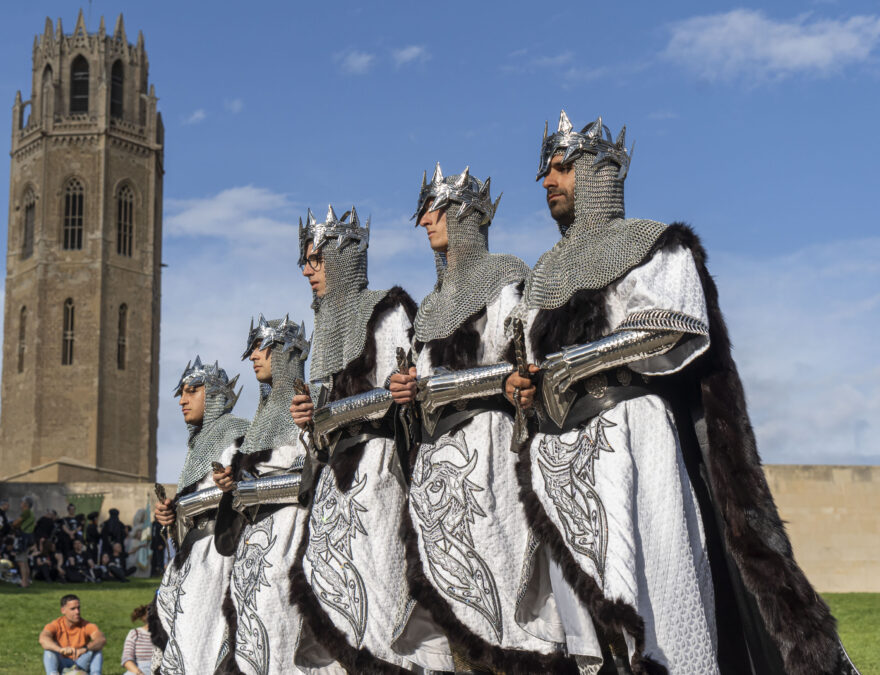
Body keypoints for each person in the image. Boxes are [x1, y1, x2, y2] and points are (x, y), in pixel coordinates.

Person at [500, 111, 862, 675]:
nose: (548, 180)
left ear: (600, 173)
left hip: (636, 447)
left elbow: (676, 327)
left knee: (659, 613)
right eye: (546, 171)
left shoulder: (654, 246)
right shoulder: (544, 276)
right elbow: (527, 364)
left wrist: (569, 363)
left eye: (562, 167)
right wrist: (523, 384)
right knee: (584, 631)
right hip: (559, 463)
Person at [389, 164, 568, 671]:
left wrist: (493, 383)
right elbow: (417, 383)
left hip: (489, 456)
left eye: (436, 209)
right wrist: (402, 389)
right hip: (435, 472)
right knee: (453, 614)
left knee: (504, 592)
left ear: (467, 216)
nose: (425, 219)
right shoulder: (429, 309)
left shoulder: (504, 278)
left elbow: (518, 359)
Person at [286, 205, 426, 672]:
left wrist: (392, 393)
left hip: (379, 471)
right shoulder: (327, 336)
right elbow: (322, 437)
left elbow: (403, 390)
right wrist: (311, 420)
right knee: (335, 602)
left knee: (383, 596)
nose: (307, 269)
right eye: (306, 261)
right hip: (335, 482)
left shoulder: (386, 309)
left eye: (316, 259)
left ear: (343, 257)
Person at [213, 317, 310, 674]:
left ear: (286, 354)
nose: (253, 356)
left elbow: (313, 477)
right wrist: (232, 486)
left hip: (292, 541)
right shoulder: (258, 424)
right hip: (253, 549)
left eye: (261, 348)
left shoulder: (306, 407)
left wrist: (249, 485)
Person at [151, 357, 249, 674]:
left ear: (215, 394)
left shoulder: (236, 432)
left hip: (220, 554)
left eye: (191, 391)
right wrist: (172, 513)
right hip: (193, 553)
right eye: (182, 393)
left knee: (205, 643)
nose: (181, 400)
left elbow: (239, 490)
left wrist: (232, 484)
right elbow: (195, 505)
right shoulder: (197, 443)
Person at [39, 593, 106, 675]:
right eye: (73, 609)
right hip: (62, 663)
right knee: (49, 651)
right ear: (63, 610)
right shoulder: (55, 625)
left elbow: (101, 639)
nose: (77, 612)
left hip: (81, 663)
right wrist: (60, 650)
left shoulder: (87, 625)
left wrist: (85, 649)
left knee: (96, 649)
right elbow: (43, 639)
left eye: (78, 608)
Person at [122, 604, 154, 675]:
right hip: (138, 670)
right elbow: (127, 660)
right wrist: (139, 673)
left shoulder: (167, 635)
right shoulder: (135, 634)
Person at [13, 496, 36, 588]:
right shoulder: (31, 513)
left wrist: (13, 524)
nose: (20, 504)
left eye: (21, 502)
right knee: (25, 561)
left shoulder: (26, 512)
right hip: (29, 537)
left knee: (21, 560)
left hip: (23, 537)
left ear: (25, 504)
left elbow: (16, 522)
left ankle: (24, 582)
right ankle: (27, 581)